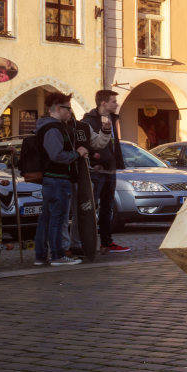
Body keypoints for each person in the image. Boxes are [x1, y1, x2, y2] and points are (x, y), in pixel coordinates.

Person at [33, 92, 89, 267]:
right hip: (57, 180)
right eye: (68, 108)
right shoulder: (53, 129)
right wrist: (77, 153)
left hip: (52, 180)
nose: (70, 113)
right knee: (56, 219)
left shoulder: (49, 127)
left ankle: (41, 256)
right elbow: (57, 155)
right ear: (58, 109)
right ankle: (57, 256)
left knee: (46, 219)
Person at [81, 90, 130, 253]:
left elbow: (113, 144)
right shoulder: (88, 122)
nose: (117, 104)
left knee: (107, 208)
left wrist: (116, 162)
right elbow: (86, 144)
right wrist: (96, 158)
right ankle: (87, 243)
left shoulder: (112, 119)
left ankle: (106, 242)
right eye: (114, 101)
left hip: (110, 170)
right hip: (96, 170)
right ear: (103, 103)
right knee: (90, 207)